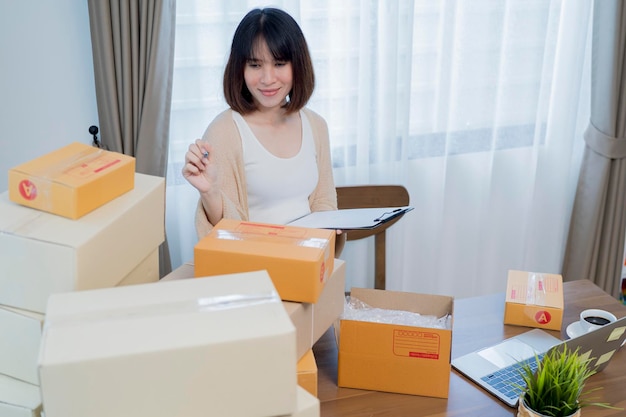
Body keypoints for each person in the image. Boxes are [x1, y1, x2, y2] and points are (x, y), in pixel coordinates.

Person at [182, 7, 344, 253]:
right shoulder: (224, 132)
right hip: (255, 270)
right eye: (255, 65)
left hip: (309, 264)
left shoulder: (316, 126)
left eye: (279, 63)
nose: (268, 78)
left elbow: (323, 200)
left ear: (297, 65)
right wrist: (211, 192)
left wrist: (328, 227)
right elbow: (226, 234)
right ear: (240, 69)